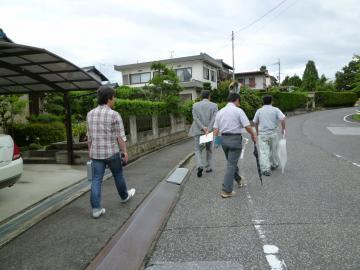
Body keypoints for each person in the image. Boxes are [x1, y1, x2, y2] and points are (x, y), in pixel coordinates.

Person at [86, 86, 135, 219]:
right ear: (109, 98)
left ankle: (96, 209)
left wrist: (90, 151)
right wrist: (124, 152)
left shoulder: (90, 114)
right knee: (118, 174)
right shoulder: (114, 114)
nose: (114, 100)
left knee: (96, 180)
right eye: (114, 97)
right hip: (111, 152)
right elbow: (120, 137)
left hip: (96, 153)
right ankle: (124, 196)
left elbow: (89, 136)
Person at [214, 93, 257, 198]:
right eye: (239, 101)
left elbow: (216, 129)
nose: (239, 103)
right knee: (231, 165)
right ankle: (226, 190)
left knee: (231, 162)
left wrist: (216, 141)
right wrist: (253, 134)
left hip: (223, 139)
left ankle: (238, 179)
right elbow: (247, 126)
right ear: (236, 100)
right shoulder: (238, 111)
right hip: (234, 139)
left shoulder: (220, 112)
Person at [253, 95, 286, 176]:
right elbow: (282, 119)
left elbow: (255, 122)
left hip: (263, 134)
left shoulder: (259, 111)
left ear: (263, 102)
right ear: (272, 101)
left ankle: (265, 169)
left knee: (264, 152)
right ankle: (273, 164)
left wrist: (257, 131)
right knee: (273, 150)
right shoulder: (276, 110)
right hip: (273, 133)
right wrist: (283, 129)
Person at [189, 90, 218, 177]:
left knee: (197, 149)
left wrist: (203, 127)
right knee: (208, 149)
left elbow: (195, 118)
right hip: (208, 132)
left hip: (198, 130)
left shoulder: (195, 105)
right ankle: (208, 168)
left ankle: (200, 165)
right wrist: (208, 129)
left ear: (201, 96)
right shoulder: (214, 105)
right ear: (209, 96)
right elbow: (214, 118)